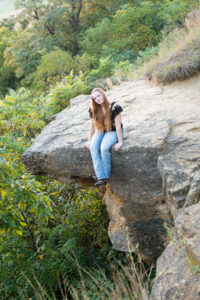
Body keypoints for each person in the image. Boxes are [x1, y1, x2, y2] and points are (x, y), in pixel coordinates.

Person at [86, 87, 123, 186]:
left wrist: (120, 142)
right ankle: (101, 176)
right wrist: (90, 140)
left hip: (113, 130)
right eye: (95, 98)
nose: (98, 99)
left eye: (98, 95)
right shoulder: (94, 109)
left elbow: (118, 126)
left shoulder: (115, 107)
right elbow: (92, 126)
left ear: (102, 94)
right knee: (93, 147)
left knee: (104, 148)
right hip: (101, 130)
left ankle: (105, 175)